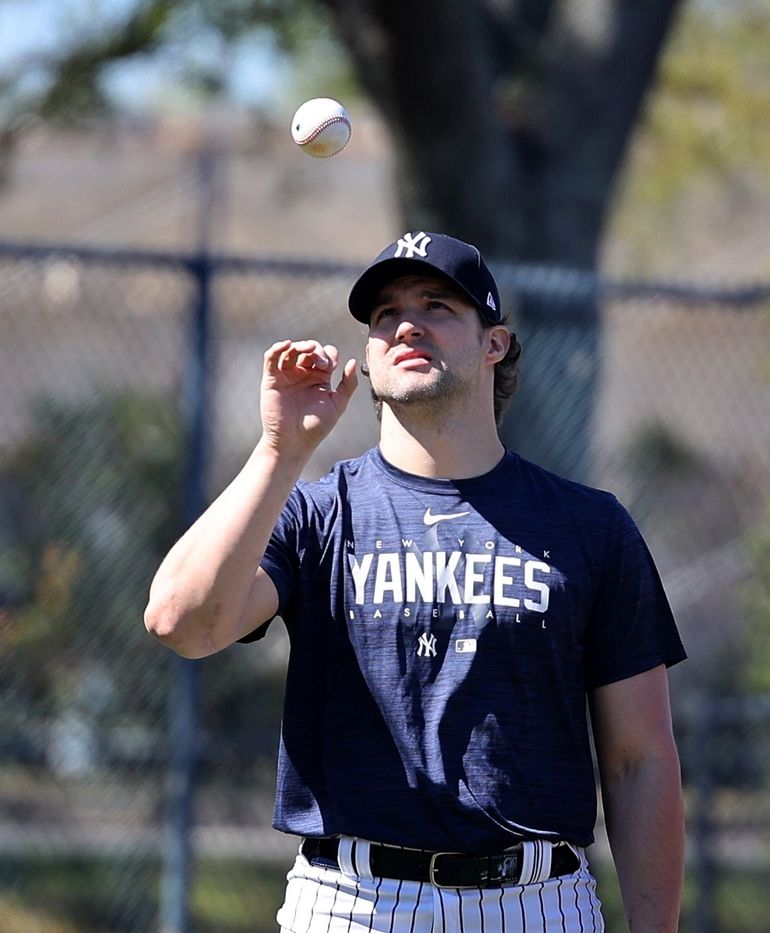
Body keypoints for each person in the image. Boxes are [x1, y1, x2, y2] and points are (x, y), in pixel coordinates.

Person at [145, 231, 686, 932]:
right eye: (383, 316)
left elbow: (639, 757)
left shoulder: (590, 525)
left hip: (535, 902)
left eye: (437, 305)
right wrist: (281, 449)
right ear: (369, 358)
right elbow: (180, 622)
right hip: (349, 902)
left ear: (495, 343)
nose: (407, 324)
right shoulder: (316, 512)